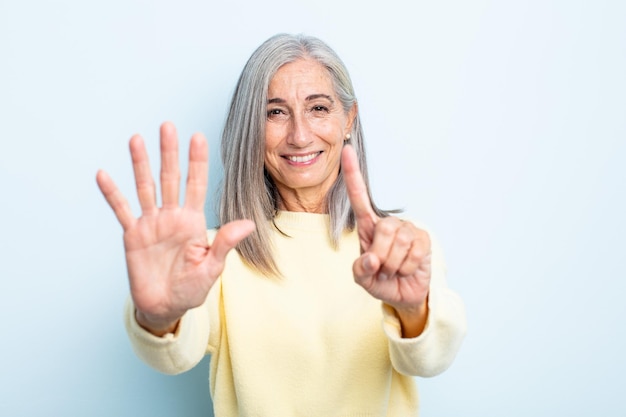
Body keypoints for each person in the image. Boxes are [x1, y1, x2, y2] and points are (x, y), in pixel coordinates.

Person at [96, 33, 466, 416]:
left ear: (348, 119)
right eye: (275, 112)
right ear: (251, 129)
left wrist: (411, 309)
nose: (300, 135)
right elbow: (174, 356)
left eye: (318, 108)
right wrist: (158, 317)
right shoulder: (212, 257)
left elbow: (431, 360)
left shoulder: (401, 247)